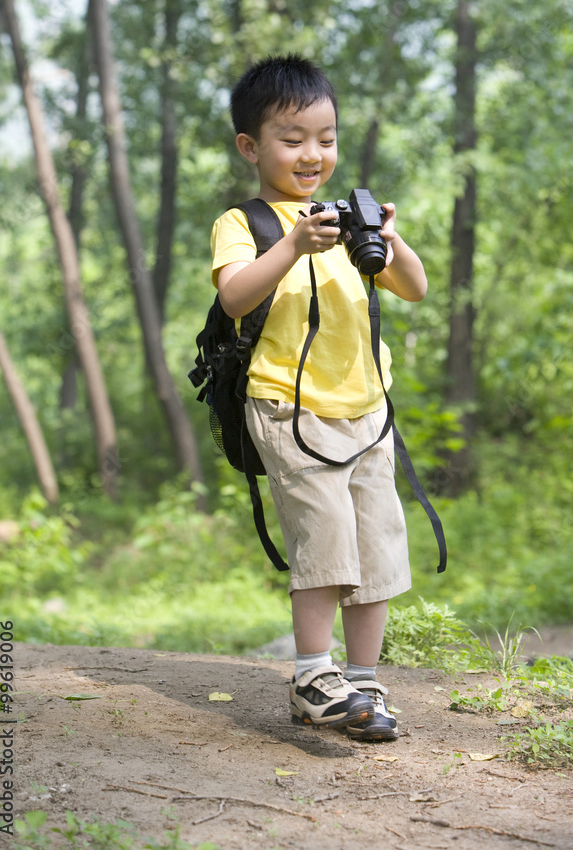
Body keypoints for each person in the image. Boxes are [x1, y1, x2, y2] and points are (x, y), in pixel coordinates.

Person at [210, 54, 427, 742]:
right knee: (325, 541)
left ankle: (360, 682)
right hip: (286, 406)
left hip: (366, 412)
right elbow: (235, 295)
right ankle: (312, 676)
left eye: (326, 139)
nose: (313, 153)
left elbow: (414, 288)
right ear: (251, 147)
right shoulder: (245, 223)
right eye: (292, 138)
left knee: (376, 547)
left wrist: (386, 235)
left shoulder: (347, 222)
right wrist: (296, 242)